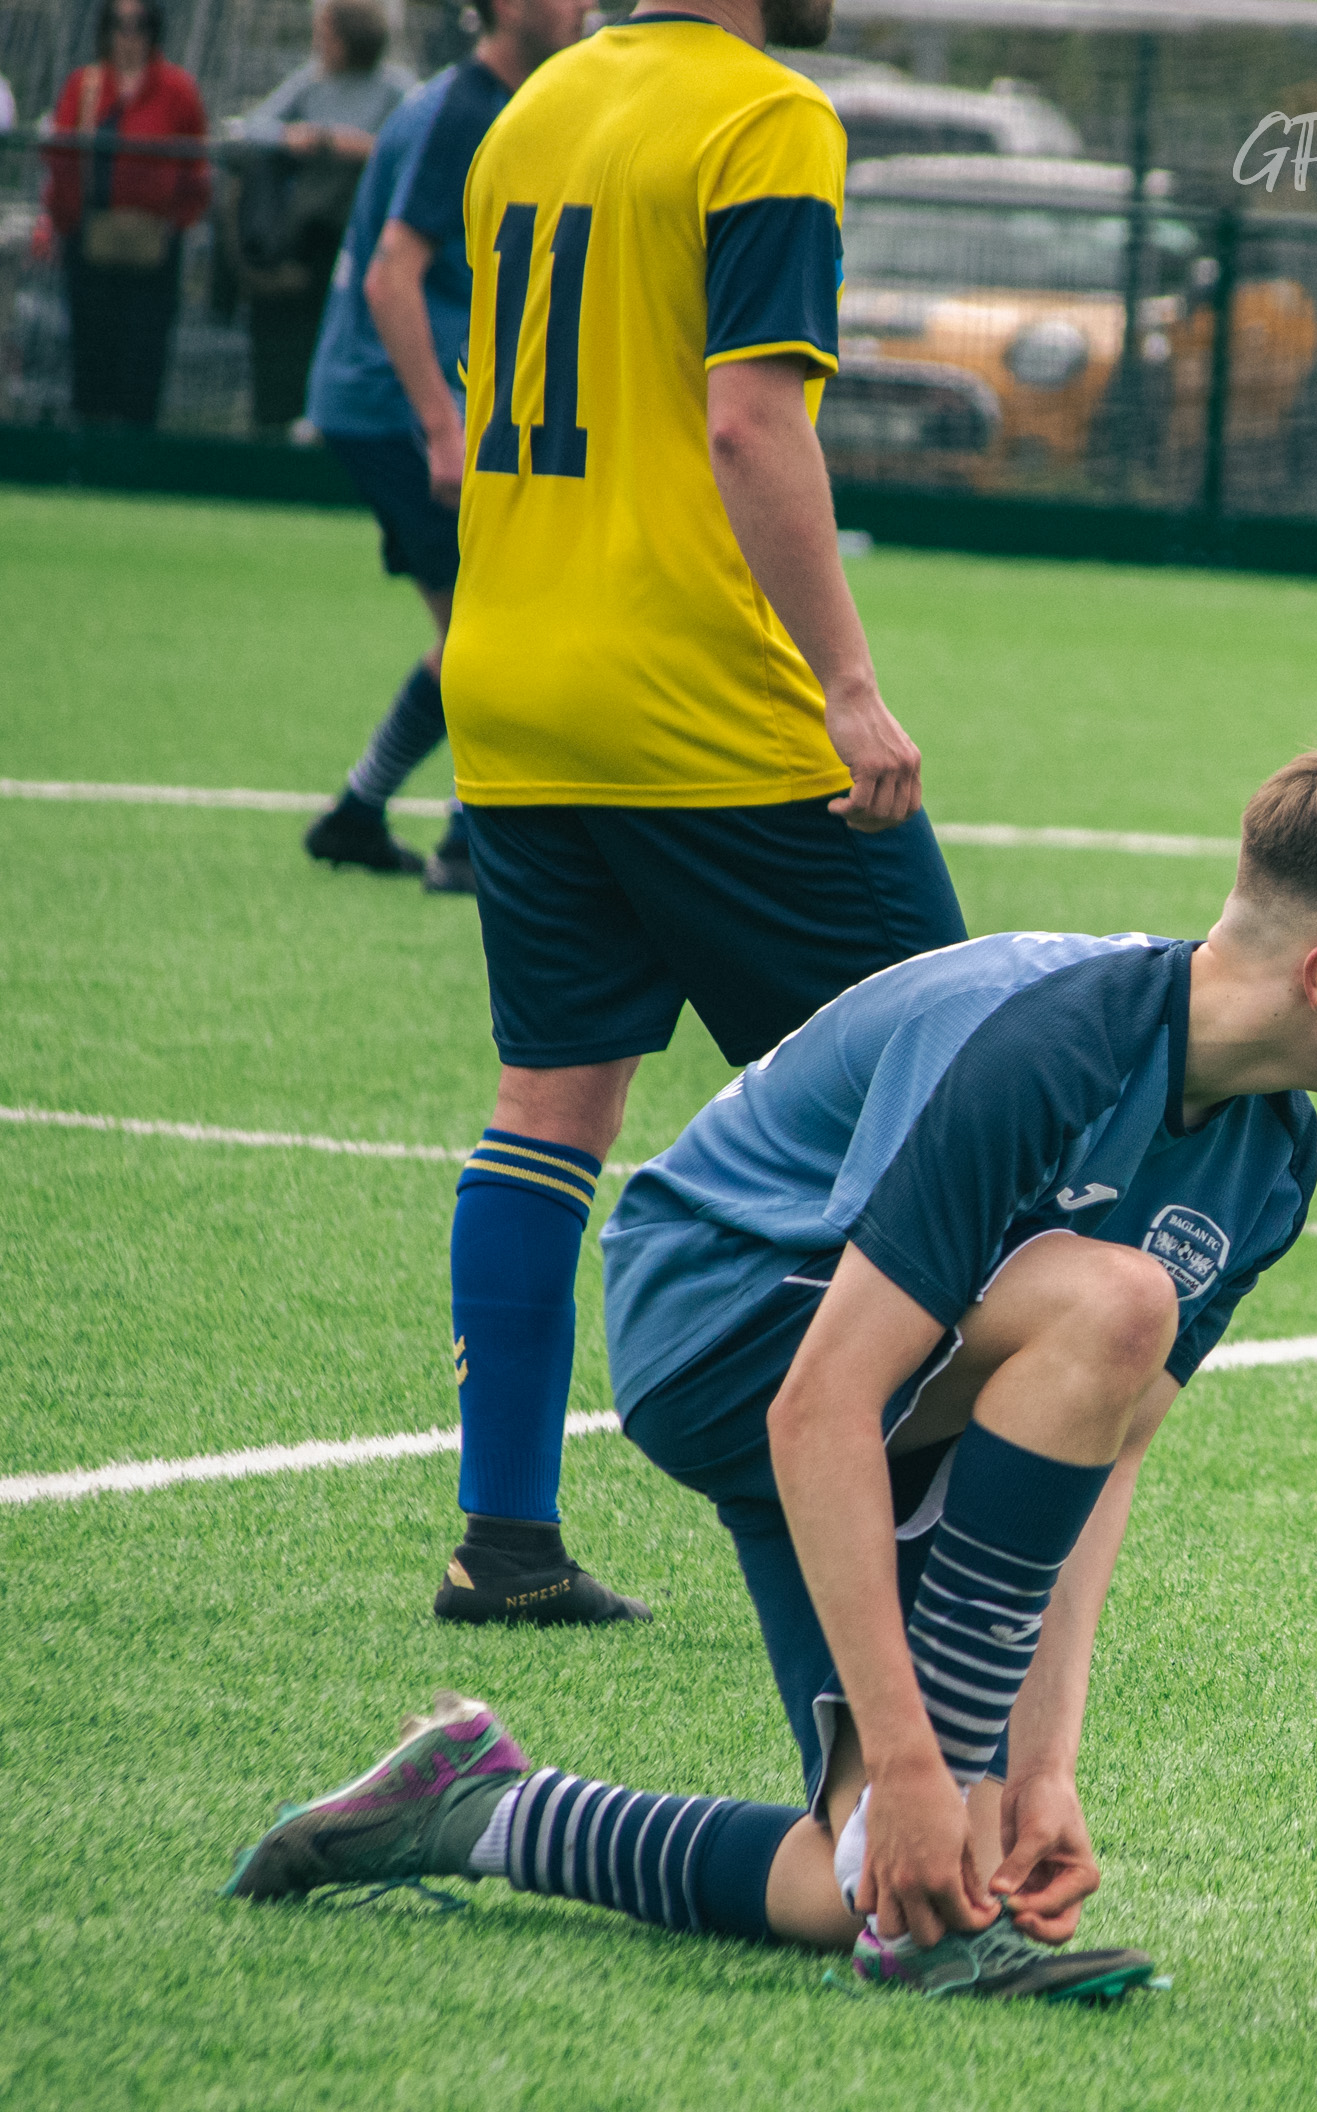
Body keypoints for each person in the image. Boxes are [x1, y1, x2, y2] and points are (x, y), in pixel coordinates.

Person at [229, 748, 1317, 2000]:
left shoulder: (1272, 1165)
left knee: (875, 1881)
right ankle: (924, 1793)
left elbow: (1108, 1451)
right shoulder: (1045, 1045)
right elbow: (824, 1402)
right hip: (727, 1323)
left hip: (893, 1390)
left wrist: (1039, 1772)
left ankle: (473, 1806)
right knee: (1117, 1298)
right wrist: (920, 1759)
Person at [423, 0, 974, 1629]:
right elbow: (748, 417)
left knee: (549, 1106)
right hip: (704, 711)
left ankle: (503, 1541)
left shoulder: (533, 109)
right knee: (966, 1108)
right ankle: (914, 1535)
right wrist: (850, 685)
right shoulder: (765, 116)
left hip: (514, 682)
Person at [297, 0, 591, 886]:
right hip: (395, 400)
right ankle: (461, 835)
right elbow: (394, 275)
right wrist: (441, 424)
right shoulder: (470, 110)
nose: (583, 5)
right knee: (492, 625)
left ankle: (364, 813)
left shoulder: (475, 101)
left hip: (389, 397)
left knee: (482, 622)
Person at [228, 0, 411, 431]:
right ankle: (278, 423)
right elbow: (249, 128)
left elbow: (412, 142)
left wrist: (358, 146)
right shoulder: (310, 85)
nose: (319, 44)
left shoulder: (394, 89)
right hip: (305, 237)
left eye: (327, 35)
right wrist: (296, 137)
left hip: (361, 238)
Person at [41, 0, 210, 429]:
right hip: (92, 241)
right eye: (119, 25)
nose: (129, 36)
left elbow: (197, 170)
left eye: (139, 26)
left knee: (144, 352)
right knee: (92, 347)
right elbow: (61, 159)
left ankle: (134, 454)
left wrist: (177, 222)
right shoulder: (87, 85)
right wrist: (63, 221)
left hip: (154, 247)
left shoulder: (177, 90)